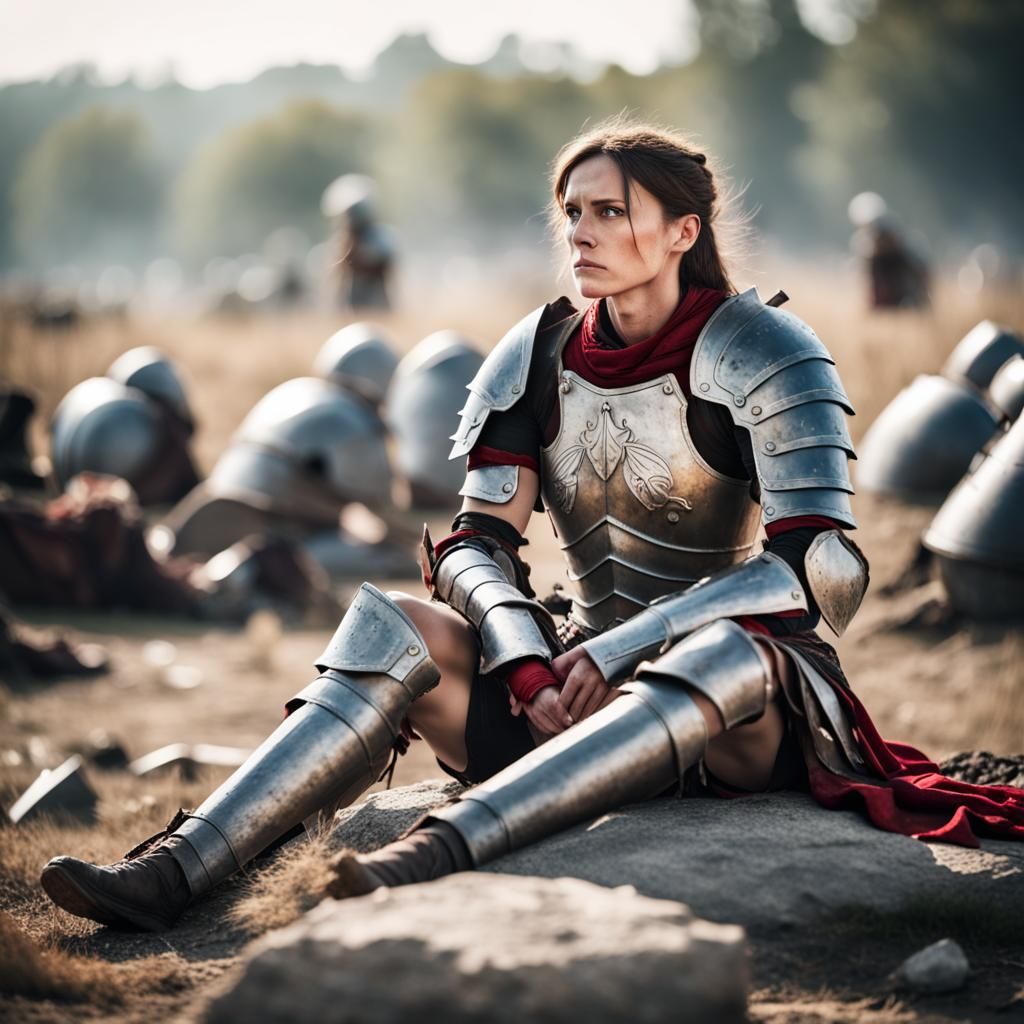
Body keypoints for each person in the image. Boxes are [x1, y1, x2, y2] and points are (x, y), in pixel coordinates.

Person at [41, 124, 1024, 932]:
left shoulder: (766, 350)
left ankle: (435, 851)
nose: (582, 233)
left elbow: (818, 570)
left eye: (610, 211)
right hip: (565, 688)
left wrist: (628, 645)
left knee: (727, 650)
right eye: (573, 213)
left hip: (735, 715)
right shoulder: (537, 350)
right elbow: (472, 540)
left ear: (683, 230)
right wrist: (522, 662)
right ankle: (180, 865)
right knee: (390, 619)